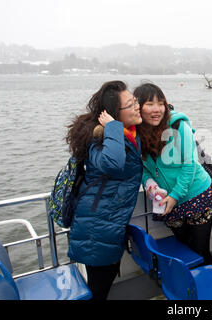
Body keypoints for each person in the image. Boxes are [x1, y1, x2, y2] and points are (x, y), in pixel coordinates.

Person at [66, 80, 143, 300]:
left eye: (135, 100)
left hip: (109, 223)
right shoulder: (99, 139)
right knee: (98, 291)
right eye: (130, 104)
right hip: (96, 228)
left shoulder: (130, 133)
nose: (137, 106)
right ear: (113, 114)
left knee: (102, 285)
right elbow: (113, 164)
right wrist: (112, 127)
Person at [133, 82, 212, 266]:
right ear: (138, 107)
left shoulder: (178, 125)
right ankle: (188, 291)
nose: (156, 109)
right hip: (169, 204)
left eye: (160, 103)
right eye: (150, 104)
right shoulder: (136, 135)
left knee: (200, 252)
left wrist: (174, 195)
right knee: (184, 253)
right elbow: (143, 169)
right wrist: (151, 185)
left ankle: (210, 289)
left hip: (198, 195)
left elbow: (189, 165)